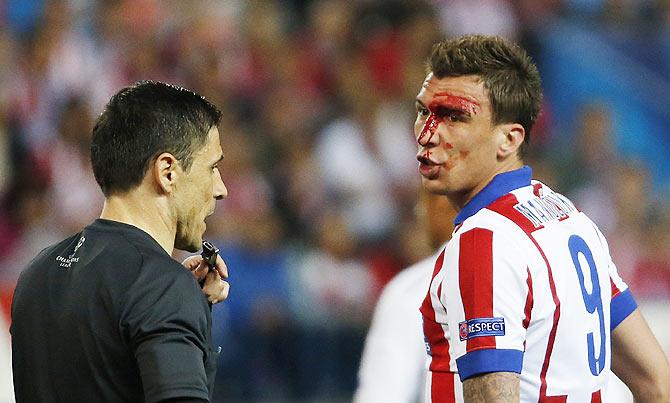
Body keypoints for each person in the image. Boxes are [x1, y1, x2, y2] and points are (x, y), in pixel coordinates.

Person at [414, 35, 670, 402]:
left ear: (509, 139)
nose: (428, 135)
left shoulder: (483, 242)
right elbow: (656, 382)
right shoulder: (570, 216)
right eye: (424, 112)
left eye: (455, 117)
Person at [11, 81, 230, 402]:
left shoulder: (36, 273)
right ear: (167, 171)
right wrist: (181, 302)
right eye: (212, 168)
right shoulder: (162, 287)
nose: (221, 188)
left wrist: (189, 308)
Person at [354, 189, 456, 403]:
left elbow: (383, 396)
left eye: (424, 202)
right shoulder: (539, 268)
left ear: (443, 205)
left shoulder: (415, 289)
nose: (420, 212)